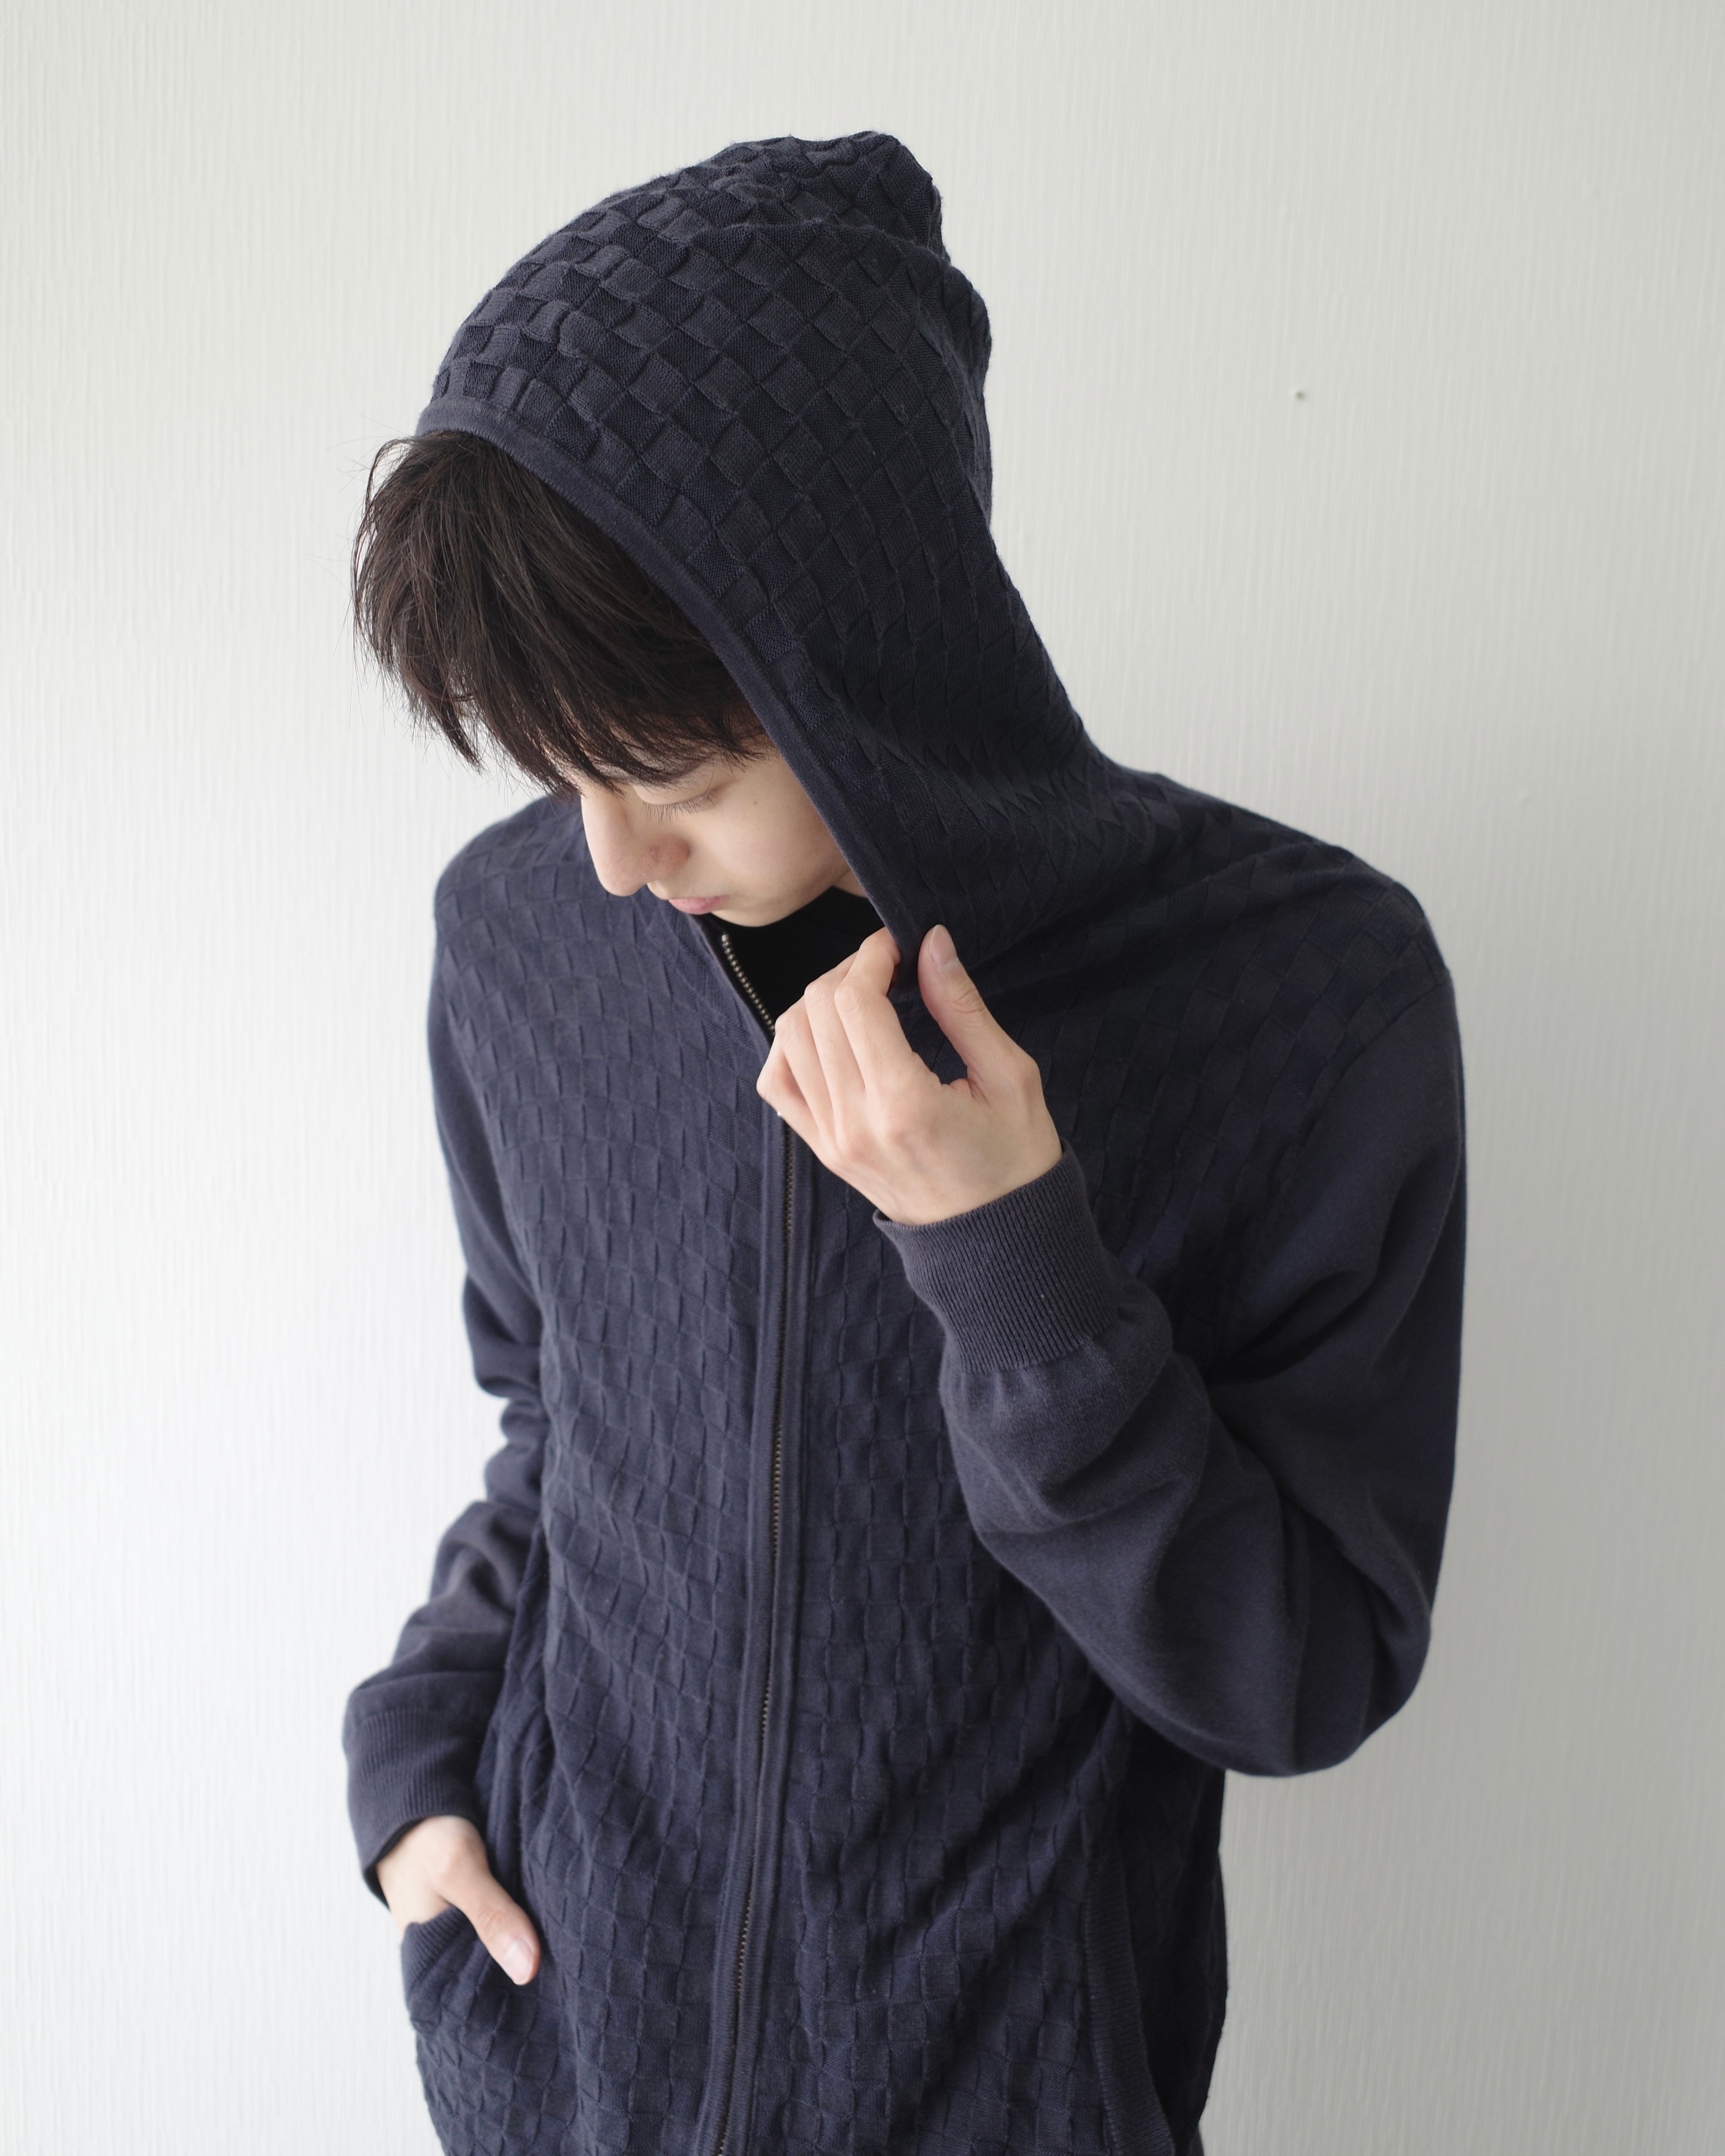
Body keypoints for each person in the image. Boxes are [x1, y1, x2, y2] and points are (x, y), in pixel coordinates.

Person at [341, 131, 1466, 2156]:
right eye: (562, 774)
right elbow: (553, 1426)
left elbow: (1295, 1673)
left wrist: (1017, 1267)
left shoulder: (1303, 988)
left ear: (856, 657)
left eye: (673, 774)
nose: (611, 861)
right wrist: (420, 1761)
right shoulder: (513, 938)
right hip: (564, 2083)